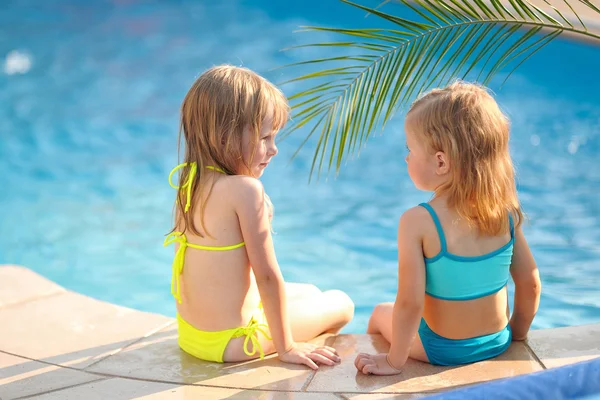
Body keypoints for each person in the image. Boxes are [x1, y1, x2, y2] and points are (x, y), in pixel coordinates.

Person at [164, 65, 354, 370]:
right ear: (225, 135)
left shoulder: (188, 181)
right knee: (341, 302)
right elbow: (267, 276)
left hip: (192, 337)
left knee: (309, 292)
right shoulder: (245, 190)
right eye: (265, 137)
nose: (274, 149)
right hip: (235, 343)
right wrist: (287, 347)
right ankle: (286, 338)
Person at [355, 81, 541, 375]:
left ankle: (383, 363)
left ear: (440, 161)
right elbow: (530, 283)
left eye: (410, 150)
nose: (406, 158)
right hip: (497, 341)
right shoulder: (504, 212)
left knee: (380, 313)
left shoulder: (418, 221)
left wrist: (395, 360)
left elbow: (409, 303)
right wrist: (515, 336)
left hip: (441, 350)